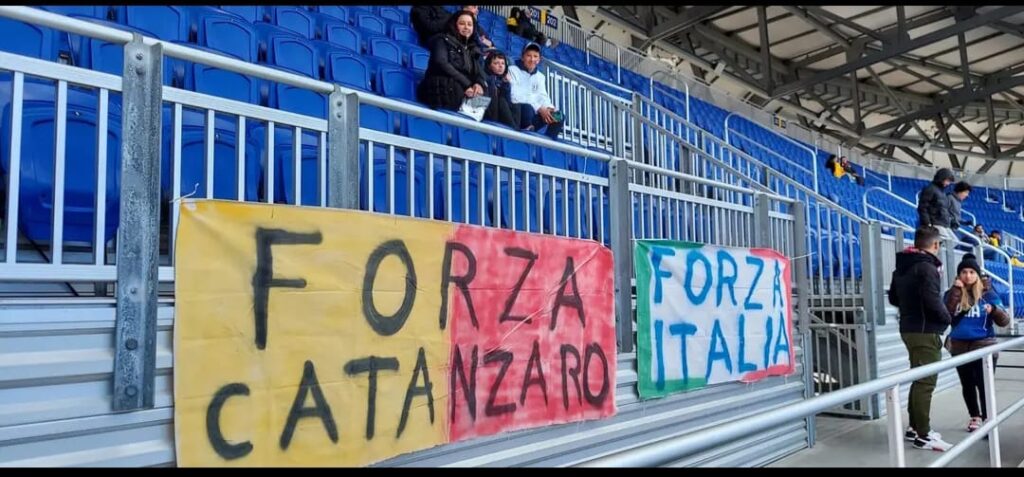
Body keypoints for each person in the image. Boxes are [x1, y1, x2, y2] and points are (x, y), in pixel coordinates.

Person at [888, 226, 953, 452]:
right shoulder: (927, 268)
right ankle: (923, 436)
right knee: (926, 382)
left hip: (908, 328)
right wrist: (947, 318)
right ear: (935, 245)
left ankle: (915, 428)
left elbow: (893, 298)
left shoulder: (902, 267)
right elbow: (932, 300)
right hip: (925, 331)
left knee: (919, 378)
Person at [943, 255, 1011, 432]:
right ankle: (975, 416)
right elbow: (945, 316)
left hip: (984, 344)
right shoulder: (951, 293)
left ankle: (988, 417)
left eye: (972, 272)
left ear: (978, 275)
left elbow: (1005, 321)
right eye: (964, 272)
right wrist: (956, 293)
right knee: (967, 384)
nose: (967, 275)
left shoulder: (989, 294)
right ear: (958, 275)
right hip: (959, 346)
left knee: (983, 384)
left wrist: (994, 310)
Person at [416, 11, 487, 113]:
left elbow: (479, 73)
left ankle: (471, 123)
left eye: (469, 24)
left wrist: (479, 84)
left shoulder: (473, 49)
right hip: (440, 87)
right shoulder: (441, 40)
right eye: (462, 24)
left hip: (461, 88)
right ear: (454, 25)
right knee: (455, 87)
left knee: (486, 94)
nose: (466, 27)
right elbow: (441, 63)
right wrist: (466, 84)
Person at [508, 42, 564, 140]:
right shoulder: (512, 70)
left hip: (533, 114)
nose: (532, 59)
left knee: (559, 116)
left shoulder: (540, 76)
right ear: (522, 57)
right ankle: (525, 138)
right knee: (527, 107)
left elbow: (543, 96)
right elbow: (515, 96)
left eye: (535, 56)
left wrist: (548, 108)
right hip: (518, 113)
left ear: (539, 59)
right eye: (529, 56)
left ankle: (547, 144)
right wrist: (539, 108)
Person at [917, 168, 957, 242]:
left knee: (954, 241)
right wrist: (928, 223)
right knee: (947, 242)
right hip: (935, 223)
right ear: (941, 178)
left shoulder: (942, 193)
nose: (948, 184)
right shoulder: (930, 189)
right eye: (947, 181)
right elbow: (922, 208)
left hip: (943, 224)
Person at [482, 50, 519, 128]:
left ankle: (516, 129)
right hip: (489, 113)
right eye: (496, 63)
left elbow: (508, 101)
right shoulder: (485, 77)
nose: (501, 66)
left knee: (516, 105)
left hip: (502, 114)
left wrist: (506, 84)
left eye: (503, 63)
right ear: (489, 65)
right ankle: (515, 131)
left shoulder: (504, 81)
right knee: (501, 101)